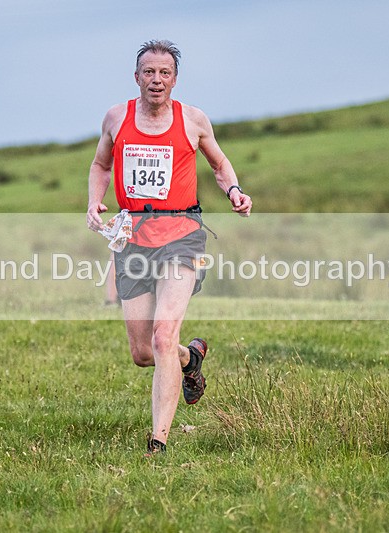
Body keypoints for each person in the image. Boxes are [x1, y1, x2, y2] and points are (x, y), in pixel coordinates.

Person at [86, 40, 252, 455]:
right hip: (132, 238)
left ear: (175, 79)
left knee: (163, 335)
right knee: (144, 352)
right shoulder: (116, 118)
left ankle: (158, 441)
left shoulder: (193, 120)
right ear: (137, 76)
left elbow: (219, 163)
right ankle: (189, 360)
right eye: (148, 72)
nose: (156, 80)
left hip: (183, 235)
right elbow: (101, 165)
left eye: (164, 73)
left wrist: (233, 189)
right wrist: (94, 201)